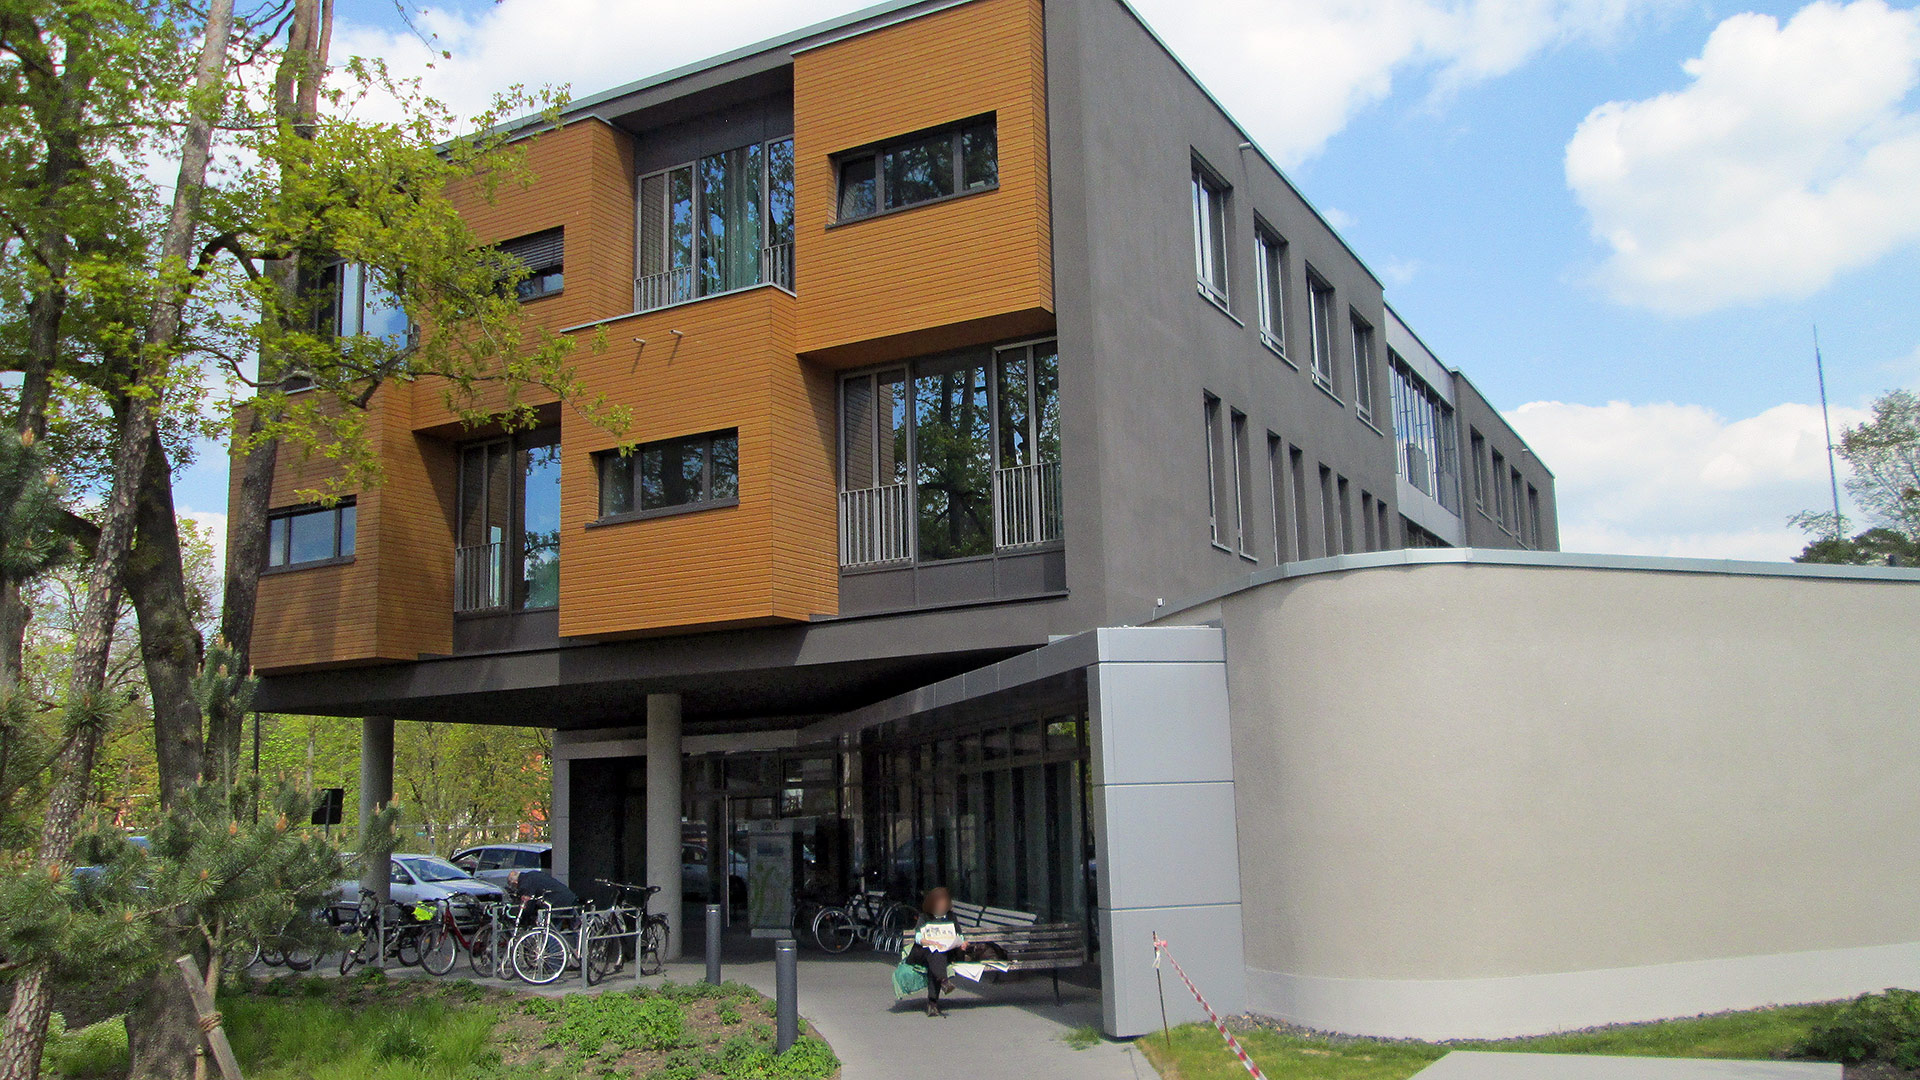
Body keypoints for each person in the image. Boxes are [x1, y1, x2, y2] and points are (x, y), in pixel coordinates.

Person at [905, 887, 964, 1017]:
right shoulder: (924, 917)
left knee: (936, 959)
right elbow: (918, 937)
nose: (942, 906)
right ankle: (943, 981)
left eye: (944, 903)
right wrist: (930, 942)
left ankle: (933, 1002)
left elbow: (959, 935)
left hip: (944, 952)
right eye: (939, 903)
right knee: (934, 954)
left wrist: (962, 942)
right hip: (924, 952)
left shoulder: (951, 917)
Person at [506, 867, 578, 925]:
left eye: (513, 886)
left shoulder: (525, 884)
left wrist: (523, 916)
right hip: (565, 896)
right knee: (572, 926)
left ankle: (552, 942)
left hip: (557, 901)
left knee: (549, 927)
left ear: (515, 882)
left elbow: (528, 902)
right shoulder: (531, 874)